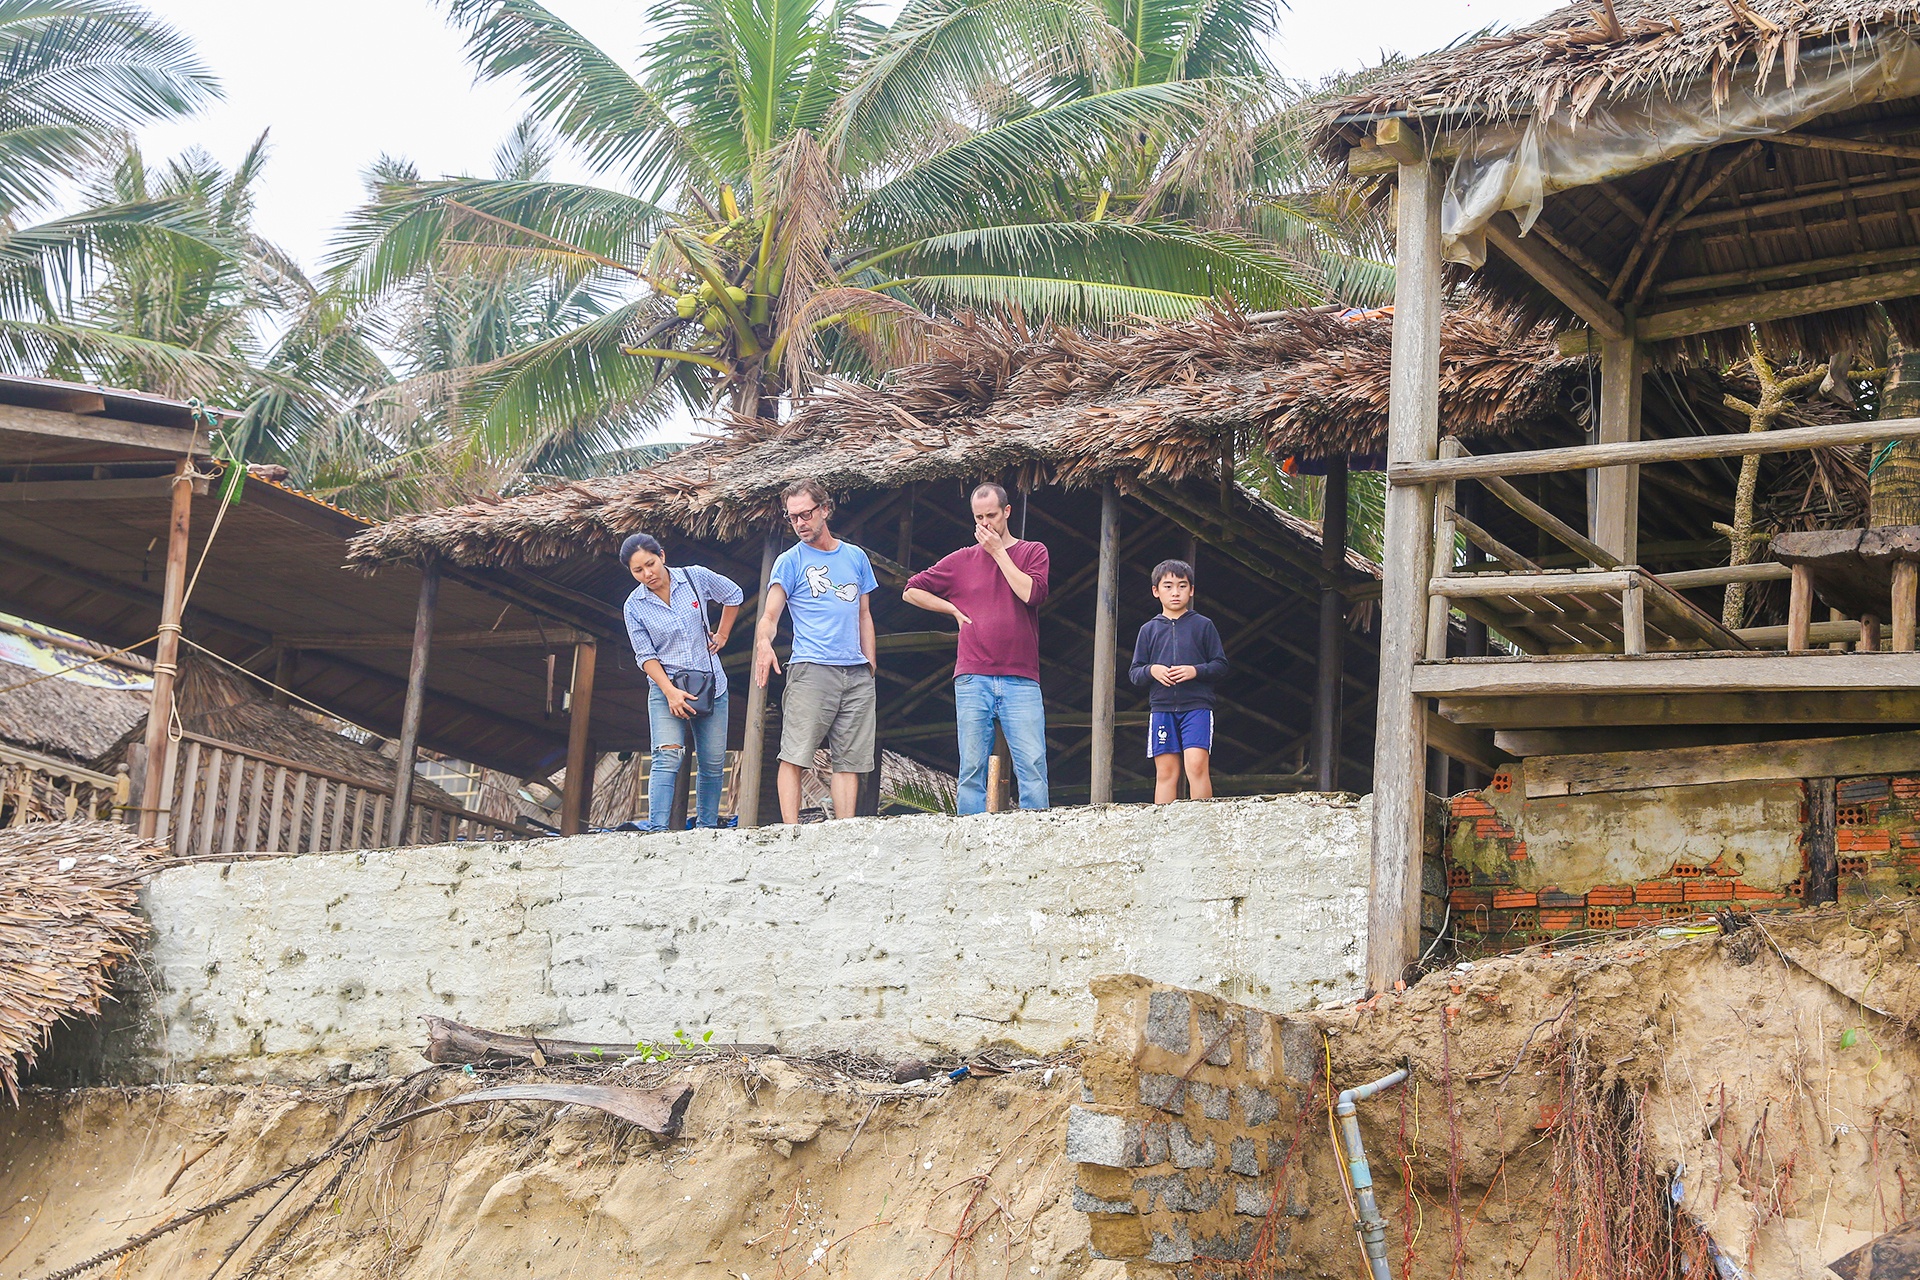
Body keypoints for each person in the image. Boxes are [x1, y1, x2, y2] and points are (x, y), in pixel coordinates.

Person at [902, 482, 1051, 813]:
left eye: (992, 516)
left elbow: (1032, 594)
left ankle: (1036, 832)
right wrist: (951, 609)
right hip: (972, 676)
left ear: (1007, 512)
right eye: (979, 517)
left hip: (1021, 676)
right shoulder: (961, 559)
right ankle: (970, 835)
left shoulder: (1032, 551)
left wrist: (998, 552)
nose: (985, 524)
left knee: (1032, 764)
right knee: (971, 767)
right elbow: (910, 590)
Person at [752, 478, 879, 822]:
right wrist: (764, 643)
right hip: (811, 668)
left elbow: (864, 614)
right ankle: (791, 833)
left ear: (825, 509)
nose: (799, 523)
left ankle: (844, 830)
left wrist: (870, 665)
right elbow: (769, 615)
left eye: (805, 514)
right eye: (792, 517)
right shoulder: (789, 561)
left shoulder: (855, 557)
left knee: (849, 761)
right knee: (795, 754)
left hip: (856, 671)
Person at [622, 532, 743, 830]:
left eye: (650, 564)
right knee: (667, 757)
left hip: (710, 685)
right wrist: (670, 692)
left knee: (712, 763)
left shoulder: (694, 577)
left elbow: (733, 594)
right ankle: (657, 831)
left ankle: (706, 828)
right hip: (665, 687)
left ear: (662, 556)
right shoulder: (634, 606)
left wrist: (722, 634)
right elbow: (645, 656)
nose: (647, 574)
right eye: (638, 570)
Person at [1129, 559, 1228, 804]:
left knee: (1196, 766)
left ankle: (1202, 820)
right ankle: (1163, 824)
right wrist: (1152, 670)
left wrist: (1195, 671)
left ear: (1191, 590)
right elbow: (1135, 673)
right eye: (1168, 586)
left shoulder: (1203, 625)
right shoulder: (1148, 630)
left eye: (1182, 586)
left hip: (1197, 706)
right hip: (1162, 709)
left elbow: (1220, 665)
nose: (1175, 592)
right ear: (1156, 591)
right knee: (1166, 773)